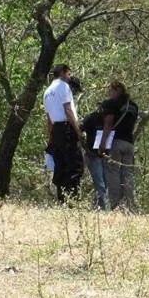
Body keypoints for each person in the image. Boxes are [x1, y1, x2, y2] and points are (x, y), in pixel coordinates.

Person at [43, 64, 84, 203]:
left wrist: (51, 137)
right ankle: (73, 200)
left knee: (60, 165)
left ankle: (62, 199)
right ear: (62, 72)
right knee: (74, 164)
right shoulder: (64, 86)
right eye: (69, 74)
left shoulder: (47, 91)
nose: (70, 77)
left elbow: (49, 118)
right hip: (67, 129)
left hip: (56, 130)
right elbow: (68, 109)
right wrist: (78, 131)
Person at [98, 81, 139, 211]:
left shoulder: (111, 104)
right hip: (129, 143)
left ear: (117, 90)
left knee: (113, 173)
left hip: (115, 142)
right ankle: (130, 206)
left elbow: (109, 123)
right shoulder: (133, 106)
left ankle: (115, 206)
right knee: (127, 175)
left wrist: (102, 143)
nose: (109, 93)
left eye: (110, 90)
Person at [82, 107, 108, 210]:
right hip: (93, 156)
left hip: (106, 156)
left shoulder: (112, 119)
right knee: (99, 183)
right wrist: (86, 148)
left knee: (105, 183)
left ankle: (96, 205)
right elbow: (80, 131)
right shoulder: (91, 118)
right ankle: (103, 209)